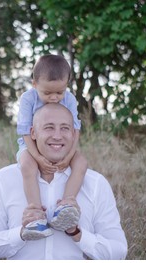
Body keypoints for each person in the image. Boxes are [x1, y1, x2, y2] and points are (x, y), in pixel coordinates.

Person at [0, 103, 127, 260]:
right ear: (33, 132)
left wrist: (76, 232)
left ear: (74, 134)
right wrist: (20, 233)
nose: (57, 136)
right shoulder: (3, 180)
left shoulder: (96, 184)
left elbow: (118, 251)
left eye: (65, 128)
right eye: (49, 127)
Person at [16, 54, 88, 240]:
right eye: (47, 93)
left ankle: (66, 204)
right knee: (26, 164)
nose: (54, 97)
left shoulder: (69, 99)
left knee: (81, 162)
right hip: (31, 145)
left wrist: (69, 155)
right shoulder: (27, 98)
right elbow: (25, 131)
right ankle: (36, 215)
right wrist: (38, 158)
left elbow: (75, 128)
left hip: (64, 146)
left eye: (60, 92)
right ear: (34, 84)